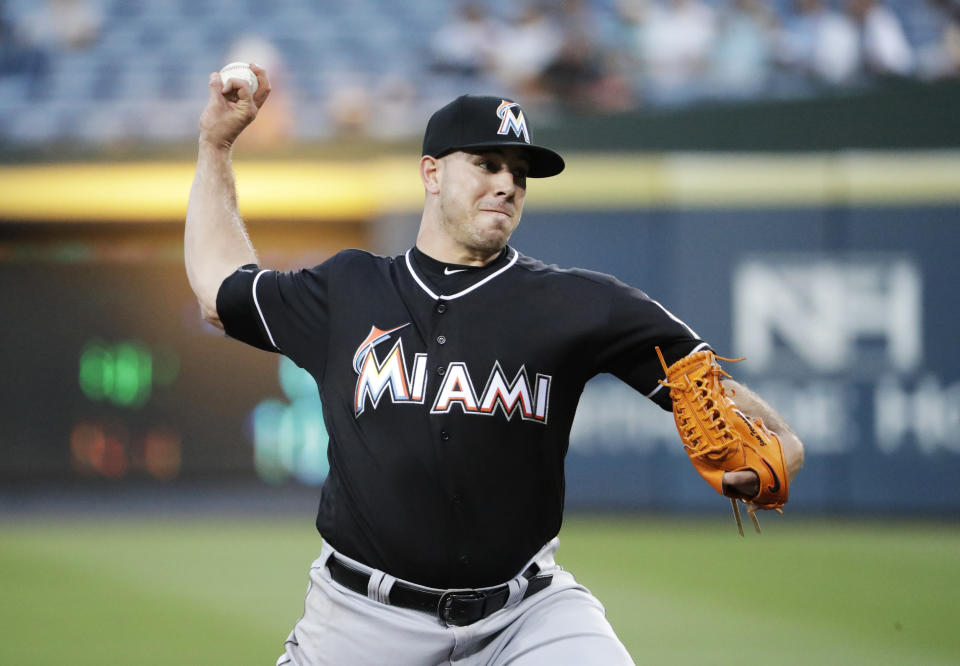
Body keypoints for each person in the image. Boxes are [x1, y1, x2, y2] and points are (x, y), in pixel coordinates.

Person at [185, 67, 804, 665]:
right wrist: (216, 144)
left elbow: (713, 389)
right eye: (486, 164)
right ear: (430, 172)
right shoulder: (347, 289)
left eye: (519, 174)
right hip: (364, 619)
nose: (507, 184)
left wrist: (782, 444)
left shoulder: (577, 303)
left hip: (526, 616)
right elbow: (219, 290)